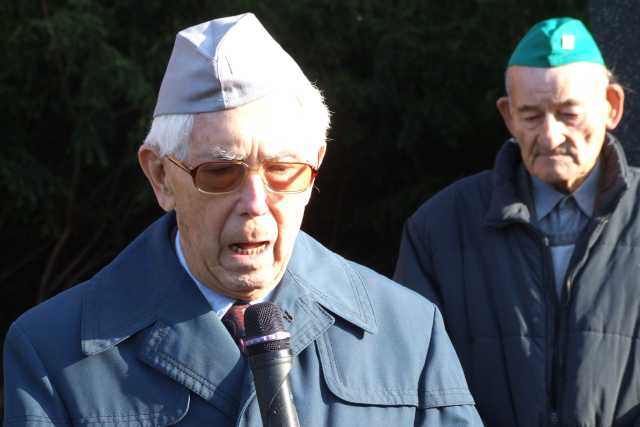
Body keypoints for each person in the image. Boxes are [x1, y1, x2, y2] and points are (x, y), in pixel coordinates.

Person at [3, 13, 482, 426]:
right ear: (161, 177)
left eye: (283, 170)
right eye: (220, 172)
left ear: (315, 167)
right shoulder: (53, 352)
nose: (255, 202)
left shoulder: (407, 331)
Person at [394, 16, 637, 427]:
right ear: (507, 115)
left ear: (612, 106)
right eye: (530, 115)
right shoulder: (439, 229)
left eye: (569, 114)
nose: (550, 135)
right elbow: (412, 381)